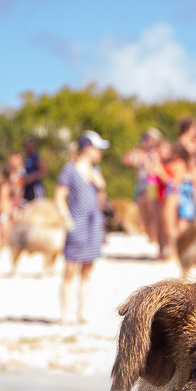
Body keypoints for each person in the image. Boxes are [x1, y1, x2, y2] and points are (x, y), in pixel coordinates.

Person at [54, 130, 109, 324]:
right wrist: (66, 218)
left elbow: (101, 202)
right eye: (97, 147)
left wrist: (101, 187)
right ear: (87, 148)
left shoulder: (97, 171)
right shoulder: (69, 169)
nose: (100, 152)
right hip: (77, 221)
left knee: (88, 268)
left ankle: (82, 312)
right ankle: (65, 314)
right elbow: (59, 195)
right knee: (70, 267)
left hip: (94, 223)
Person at [124, 128, 163, 246]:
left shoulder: (157, 152)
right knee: (142, 209)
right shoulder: (142, 152)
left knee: (152, 210)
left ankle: (153, 236)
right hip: (141, 184)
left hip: (152, 184)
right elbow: (127, 160)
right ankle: (147, 234)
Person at [0, 153, 22, 271]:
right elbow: (2, 203)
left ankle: (3, 265)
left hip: (6, 215)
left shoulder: (8, 186)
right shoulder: (5, 187)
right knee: (4, 242)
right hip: (5, 215)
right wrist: (8, 214)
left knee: (7, 243)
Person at [20, 137, 48, 202]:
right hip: (27, 188)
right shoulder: (25, 158)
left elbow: (44, 170)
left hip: (35, 187)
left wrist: (31, 178)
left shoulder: (35, 157)